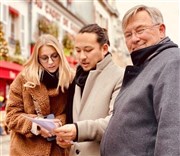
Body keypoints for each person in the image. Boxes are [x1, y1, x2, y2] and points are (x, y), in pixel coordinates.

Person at [100, 5, 180, 156]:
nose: (134, 39)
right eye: (128, 34)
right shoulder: (149, 64)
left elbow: (174, 130)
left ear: (161, 30)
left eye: (140, 30)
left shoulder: (172, 62)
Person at [53, 24, 125, 156]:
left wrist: (77, 130)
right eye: (78, 50)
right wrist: (68, 138)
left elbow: (115, 122)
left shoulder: (120, 76)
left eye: (88, 50)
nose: (82, 57)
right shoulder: (76, 77)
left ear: (104, 49)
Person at [5, 34, 74, 156]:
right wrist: (35, 125)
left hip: (58, 149)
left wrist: (59, 123)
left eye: (54, 56)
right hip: (24, 150)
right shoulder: (23, 79)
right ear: (37, 59)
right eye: (44, 58)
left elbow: (75, 112)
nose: (51, 62)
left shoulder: (70, 79)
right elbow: (11, 116)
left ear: (60, 56)